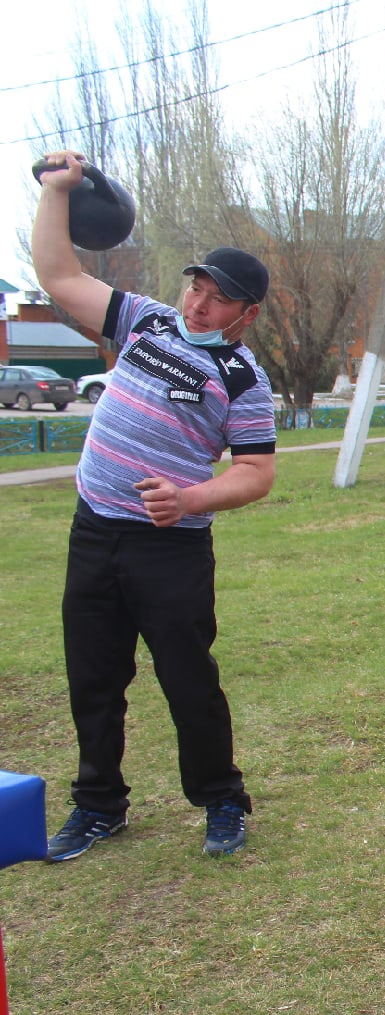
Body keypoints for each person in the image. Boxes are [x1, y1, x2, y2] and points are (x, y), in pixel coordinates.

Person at [32, 151, 275, 862]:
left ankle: (222, 799)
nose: (198, 304)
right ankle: (98, 806)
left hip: (169, 548)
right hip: (94, 531)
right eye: (196, 286)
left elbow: (256, 473)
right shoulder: (145, 320)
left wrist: (190, 497)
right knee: (93, 679)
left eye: (217, 298)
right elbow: (58, 275)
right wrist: (57, 193)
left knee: (188, 680)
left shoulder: (243, 378)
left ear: (245, 315)